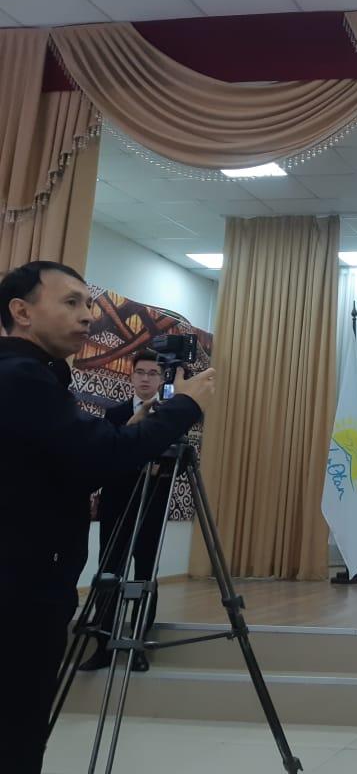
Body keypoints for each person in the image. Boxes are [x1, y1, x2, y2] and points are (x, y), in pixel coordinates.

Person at [0, 261, 216, 774]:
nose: (87, 316)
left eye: (89, 304)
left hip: (29, 581)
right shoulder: (21, 378)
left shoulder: (36, 377)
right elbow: (103, 455)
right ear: (21, 311)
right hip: (20, 593)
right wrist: (184, 406)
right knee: (16, 729)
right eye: (71, 302)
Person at [78, 348, 169, 673]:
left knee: (145, 577)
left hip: (152, 507)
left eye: (153, 373)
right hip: (116, 506)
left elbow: (174, 462)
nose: (145, 379)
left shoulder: (170, 416)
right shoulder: (114, 414)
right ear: (131, 376)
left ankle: (138, 646)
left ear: (162, 379)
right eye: (140, 372)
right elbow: (108, 455)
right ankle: (102, 646)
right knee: (108, 574)